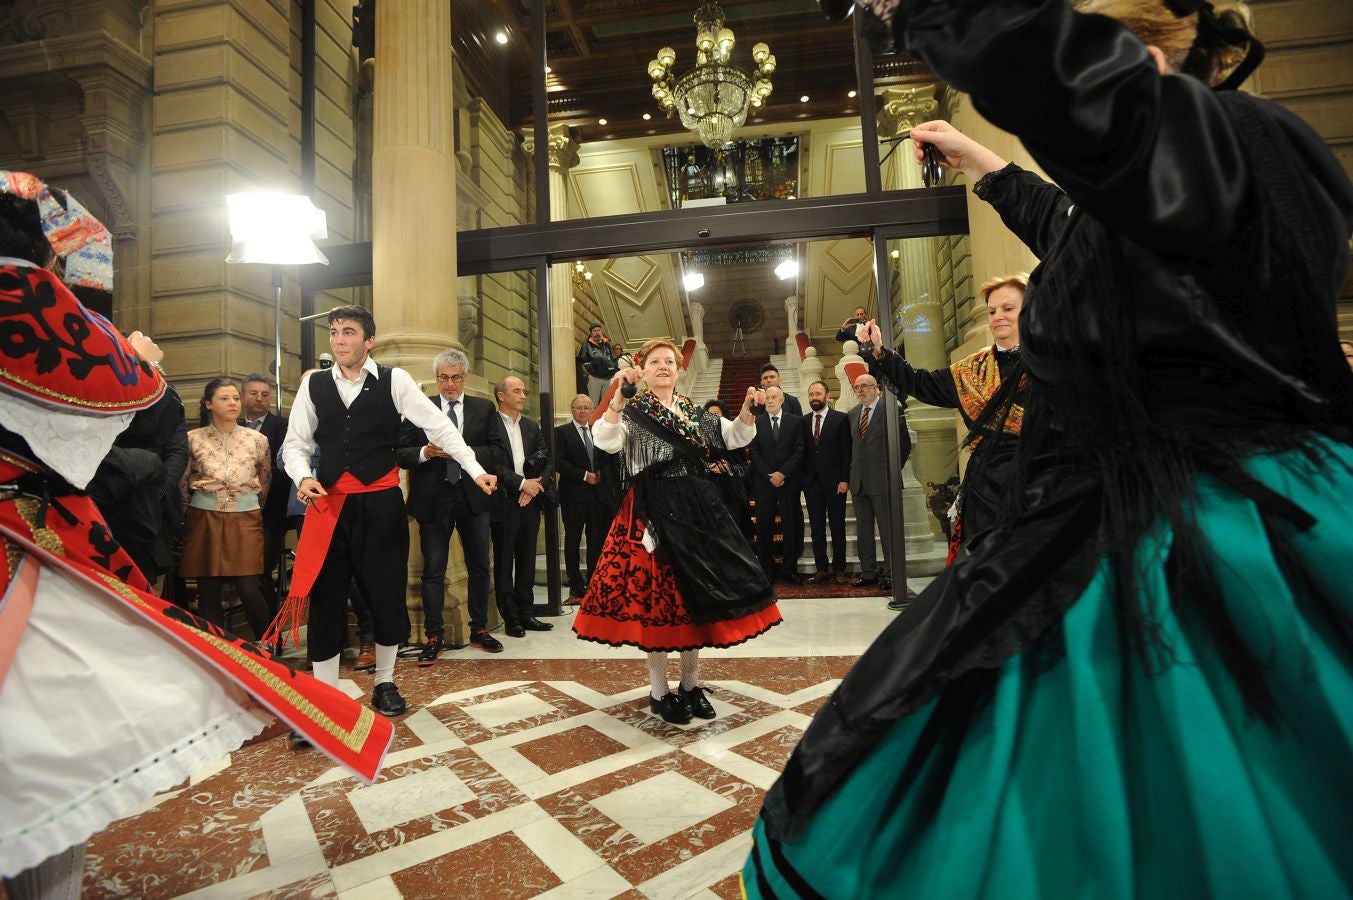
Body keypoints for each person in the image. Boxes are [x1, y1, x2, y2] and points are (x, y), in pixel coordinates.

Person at [744, 0, 1353, 895]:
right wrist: (987, 167)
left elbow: (1105, 170)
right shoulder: (1197, 175)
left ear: (1130, 62)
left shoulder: (1211, 143)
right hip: (1206, 495)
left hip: (1180, 527)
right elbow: (1093, 239)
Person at [0, 171, 391, 897]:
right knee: (53, 756)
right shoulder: (22, 293)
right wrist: (135, 356)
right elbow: (113, 413)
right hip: (23, 542)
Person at [280, 306, 497, 719]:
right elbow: (295, 445)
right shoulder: (315, 387)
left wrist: (476, 470)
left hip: (380, 505)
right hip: (327, 505)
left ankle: (384, 682)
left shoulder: (394, 381)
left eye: (348, 332)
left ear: (369, 341)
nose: (339, 340)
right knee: (326, 600)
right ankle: (325, 697)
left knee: (385, 595)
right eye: (334, 332)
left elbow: (440, 428)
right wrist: (301, 477)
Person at [573, 340, 782, 724]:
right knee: (658, 605)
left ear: (678, 368)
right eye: (655, 362)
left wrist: (749, 412)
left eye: (670, 361)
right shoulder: (632, 410)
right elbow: (606, 441)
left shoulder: (692, 411)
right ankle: (658, 692)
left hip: (697, 510)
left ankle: (689, 684)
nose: (664, 366)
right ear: (643, 369)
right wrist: (617, 400)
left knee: (694, 600)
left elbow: (734, 437)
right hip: (650, 511)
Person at [857, 273, 1030, 555]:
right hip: (985, 490)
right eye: (992, 311)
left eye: (1008, 308)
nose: (998, 316)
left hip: (1040, 484)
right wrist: (879, 352)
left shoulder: (1054, 366)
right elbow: (918, 382)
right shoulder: (970, 370)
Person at [396, 348, 510, 659]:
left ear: (464, 378)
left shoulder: (484, 409)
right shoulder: (421, 408)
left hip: (473, 497)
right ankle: (434, 635)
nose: (450, 384)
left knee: (478, 566)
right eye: (444, 378)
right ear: (436, 379)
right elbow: (401, 452)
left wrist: (461, 450)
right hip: (433, 499)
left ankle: (480, 628)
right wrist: (426, 453)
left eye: (455, 378)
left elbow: (498, 453)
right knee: (433, 569)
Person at [178, 377, 273, 641]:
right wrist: (188, 511)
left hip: (246, 515)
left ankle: (265, 644)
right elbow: (182, 482)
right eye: (224, 398)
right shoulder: (192, 439)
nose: (232, 403)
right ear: (208, 404)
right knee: (208, 587)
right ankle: (219, 648)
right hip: (204, 516)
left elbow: (265, 479)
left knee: (249, 585)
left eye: (234, 398)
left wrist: (251, 505)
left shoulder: (257, 439)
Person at [490, 375, 556, 637]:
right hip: (504, 500)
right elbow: (491, 463)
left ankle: (528, 613)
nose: (523, 395)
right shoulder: (490, 425)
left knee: (527, 559)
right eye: (516, 391)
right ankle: (511, 617)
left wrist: (534, 485)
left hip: (530, 500)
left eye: (524, 391)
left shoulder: (531, 426)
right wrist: (520, 484)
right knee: (505, 561)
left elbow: (547, 459)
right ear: (501, 395)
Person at [846, 374, 910, 594]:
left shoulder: (891, 409)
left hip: (884, 481)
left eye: (865, 386)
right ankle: (868, 572)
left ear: (876, 388)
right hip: (859, 482)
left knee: (887, 529)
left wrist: (891, 474)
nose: (860, 390)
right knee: (864, 531)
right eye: (857, 387)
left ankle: (892, 573)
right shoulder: (853, 414)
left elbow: (904, 445)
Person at [555, 394, 619, 601]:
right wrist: (584, 476)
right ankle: (575, 587)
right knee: (572, 542)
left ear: (592, 411)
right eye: (579, 408)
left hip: (598, 497)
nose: (583, 411)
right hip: (573, 496)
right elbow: (558, 462)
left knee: (596, 542)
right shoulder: (561, 432)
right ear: (572, 410)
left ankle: (594, 582)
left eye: (587, 408)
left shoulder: (597, 432)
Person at [241, 373, 290, 612]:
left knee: (260, 571)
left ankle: (270, 634)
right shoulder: (235, 425)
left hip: (271, 512)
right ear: (242, 396)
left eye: (265, 394)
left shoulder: (281, 426)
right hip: (237, 510)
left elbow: (279, 467)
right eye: (253, 393)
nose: (260, 399)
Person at [800, 380, 853, 585]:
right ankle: (821, 568)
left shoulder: (840, 419)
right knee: (816, 527)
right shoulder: (803, 422)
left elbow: (846, 452)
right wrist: (804, 480)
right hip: (812, 483)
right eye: (811, 394)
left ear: (827, 396)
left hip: (835, 483)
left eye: (818, 393)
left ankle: (839, 568)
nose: (814, 397)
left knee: (837, 526)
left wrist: (844, 479)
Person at [750, 386, 804, 582]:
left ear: (782, 400)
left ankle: (789, 568)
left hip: (788, 482)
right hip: (764, 483)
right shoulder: (757, 421)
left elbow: (799, 450)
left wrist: (782, 473)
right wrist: (769, 475)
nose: (771, 400)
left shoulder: (795, 422)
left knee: (790, 526)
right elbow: (754, 451)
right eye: (768, 397)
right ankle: (766, 569)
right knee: (764, 527)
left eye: (774, 397)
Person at [703, 399, 755, 540]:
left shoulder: (734, 437)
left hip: (732, 492)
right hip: (708, 493)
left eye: (716, 413)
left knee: (735, 534)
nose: (713, 418)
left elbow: (744, 466)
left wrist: (729, 467)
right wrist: (707, 467)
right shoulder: (700, 439)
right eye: (709, 415)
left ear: (724, 415)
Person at [578, 322, 619, 405]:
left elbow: (614, 359)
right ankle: (593, 418)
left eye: (599, 330)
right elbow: (581, 362)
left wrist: (613, 372)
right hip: (594, 379)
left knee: (606, 405)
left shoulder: (607, 344)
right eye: (594, 331)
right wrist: (587, 375)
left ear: (601, 331)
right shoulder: (586, 345)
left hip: (607, 379)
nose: (597, 332)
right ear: (591, 333)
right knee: (593, 404)